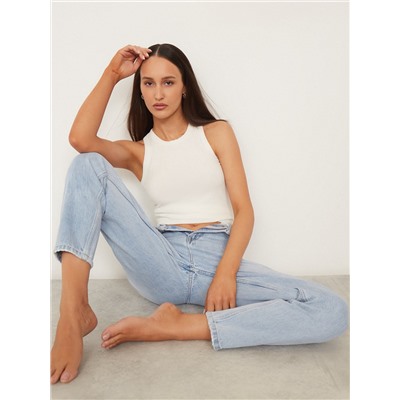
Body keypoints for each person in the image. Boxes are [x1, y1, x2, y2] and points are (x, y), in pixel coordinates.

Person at [51, 44, 348, 384]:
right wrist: (112, 74)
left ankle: (182, 326)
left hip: (216, 260)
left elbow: (244, 211)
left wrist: (225, 274)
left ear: (184, 87)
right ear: (140, 92)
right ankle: (72, 313)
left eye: (168, 82)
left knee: (330, 309)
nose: (158, 93)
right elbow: (80, 139)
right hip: (161, 261)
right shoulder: (139, 152)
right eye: (148, 83)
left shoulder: (216, 133)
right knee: (87, 163)